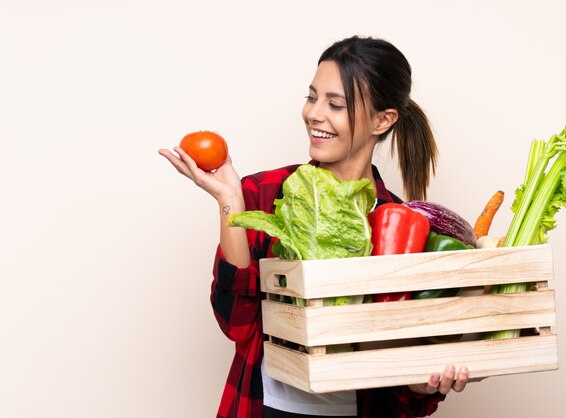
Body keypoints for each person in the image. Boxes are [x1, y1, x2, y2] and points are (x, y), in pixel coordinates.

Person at [160, 35, 473, 418]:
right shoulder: (265, 192)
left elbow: (399, 375)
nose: (314, 114)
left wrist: (423, 384)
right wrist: (229, 201)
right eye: (312, 98)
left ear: (382, 120)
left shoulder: (398, 221)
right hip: (267, 408)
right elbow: (238, 325)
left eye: (335, 104)